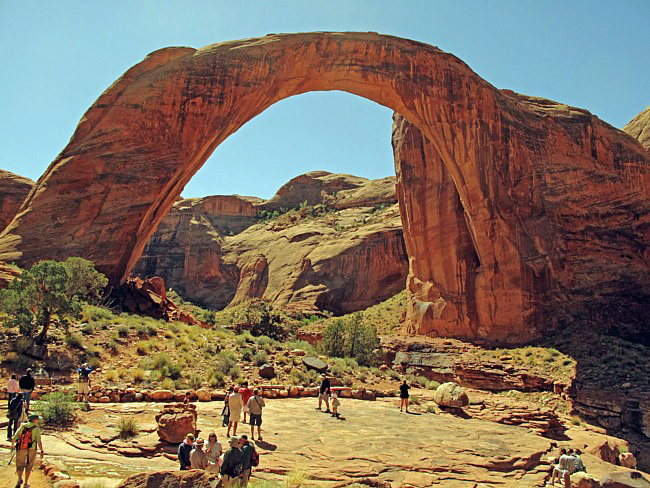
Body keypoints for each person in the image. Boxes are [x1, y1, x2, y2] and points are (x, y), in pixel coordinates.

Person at [11, 413, 44, 488]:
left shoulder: (23, 426)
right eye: (37, 419)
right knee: (29, 466)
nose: (38, 420)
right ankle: (26, 483)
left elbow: (14, 438)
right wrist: (42, 451)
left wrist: (12, 447)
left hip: (21, 448)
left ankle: (19, 479)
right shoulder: (36, 428)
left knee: (20, 465)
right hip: (32, 449)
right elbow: (39, 441)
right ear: (34, 420)